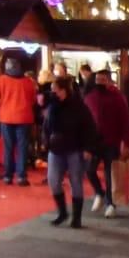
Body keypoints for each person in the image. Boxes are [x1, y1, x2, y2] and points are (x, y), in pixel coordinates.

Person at [44, 76, 98, 228]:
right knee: (53, 181)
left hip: (75, 148)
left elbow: (90, 127)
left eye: (56, 89)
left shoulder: (79, 107)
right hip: (56, 149)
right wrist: (46, 142)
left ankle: (76, 218)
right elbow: (47, 126)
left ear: (65, 90)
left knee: (76, 182)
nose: (53, 92)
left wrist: (88, 148)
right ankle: (62, 212)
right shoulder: (53, 106)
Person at [85, 70, 129, 218]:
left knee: (109, 174)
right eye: (98, 79)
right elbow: (85, 121)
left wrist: (128, 143)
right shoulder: (89, 97)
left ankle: (110, 203)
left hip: (111, 141)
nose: (100, 82)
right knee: (90, 170)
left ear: (109, 81)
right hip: (94, 142)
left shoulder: (117, 97)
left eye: (103, 79)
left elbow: (125, 120)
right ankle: (99, 193)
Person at [0, 53, 39, 186]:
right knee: (22, 147)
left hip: (6, 118)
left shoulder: (0, 80)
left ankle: (8, 176)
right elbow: (33, 100)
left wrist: (0, 109)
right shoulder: (28, 82)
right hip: (24, 118)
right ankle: (21, 176)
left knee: (8, 147)